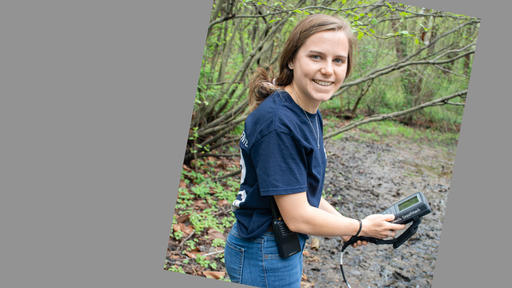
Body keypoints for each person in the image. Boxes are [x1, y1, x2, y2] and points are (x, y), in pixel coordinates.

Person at [224, 14, 405, 288]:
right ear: (292, 59)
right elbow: (297, 216)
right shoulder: (278, 124)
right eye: (316, 57)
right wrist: (360, 227)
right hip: (263, 252)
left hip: (279, 246)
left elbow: (300, 190)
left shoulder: (306, 110)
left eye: (338, 60)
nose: (328, 70)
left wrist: (343, 225)